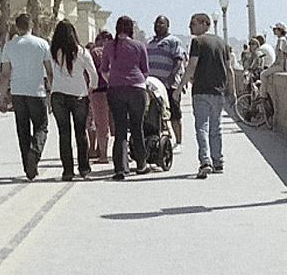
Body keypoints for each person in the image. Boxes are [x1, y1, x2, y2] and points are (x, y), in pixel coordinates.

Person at [174, 13, 235, 179]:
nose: (190, 27)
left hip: (201, 91)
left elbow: (191, 66)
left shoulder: (197, 42)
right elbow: (229, 70)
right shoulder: (222, 43)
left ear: (203, 24)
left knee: (202, 127)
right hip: (219, 92)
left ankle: (205, 161)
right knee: (216, 127)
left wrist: (179, 89)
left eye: (192, 24)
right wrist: (233, 91)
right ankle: (218, 160)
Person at [0, 13, 52, 180]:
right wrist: (53, 90)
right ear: (31, 26)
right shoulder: (42, 44)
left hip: (17, 93)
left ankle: (28, 166)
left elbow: (5, 74)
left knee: (22, 130)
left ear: (17, 27)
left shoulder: (9, 46)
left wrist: (2, 96)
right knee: (41, 126)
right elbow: (49, 71)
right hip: (37, 92)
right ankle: (34, 154)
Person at [100, 16, 149, 180]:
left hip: (116, 89)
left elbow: (104, 70)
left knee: (120, 130)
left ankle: (120, 168)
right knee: (137, 127)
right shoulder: (139, 46)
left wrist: (113, 80)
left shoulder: (109, 46)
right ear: (131, 29)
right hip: (137, 89)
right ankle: (141, 164)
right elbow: (145, 71)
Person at [48, 20, 98, 181]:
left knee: (64, 134)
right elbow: (94, 75)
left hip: (58, 96)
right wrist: (90, 88)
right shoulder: (82, 52)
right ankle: (83, 167)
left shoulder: (53, 52)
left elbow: (47, 74)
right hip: (78, 96)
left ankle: (67, 171)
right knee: (80, 132)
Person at [146, 16, 187, 153]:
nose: (158, 25)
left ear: (167, 25)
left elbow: (178, 60)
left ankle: (179, 142)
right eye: (156, 23)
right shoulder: (149, 43)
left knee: (174, 113)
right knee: (154, 113)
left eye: (161, 23)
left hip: (169, 85)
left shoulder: (173, 41)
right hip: (152, 86)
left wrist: (170, 79)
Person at [87, 31, 113, 163]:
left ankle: (103, 155)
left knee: (101, 125)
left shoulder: (95, 52)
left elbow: (89, 71)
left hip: (99, 91)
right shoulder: (116, 50)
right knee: (117, 124)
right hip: (116, 90)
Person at [259, 22, 287, 98]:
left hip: (281, 66)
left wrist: (274, 65)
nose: (273, 31)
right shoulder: (282, 39)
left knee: (263, 74)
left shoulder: (282, 40)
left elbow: (280, 55)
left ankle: (263, 95)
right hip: (281, 65)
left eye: (275, 29)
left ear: (280, 30)